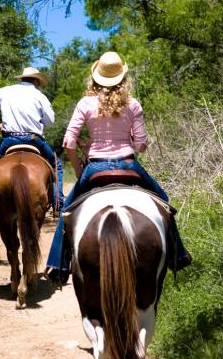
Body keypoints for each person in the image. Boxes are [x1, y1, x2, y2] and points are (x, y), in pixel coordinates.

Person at [44, 51, 191, 281]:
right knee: (164, 203)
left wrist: (80, 169)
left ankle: (58, 266)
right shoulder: (133, 105)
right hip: (128, 165)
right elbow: (141, 146)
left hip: (95, 167)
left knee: (66, 211)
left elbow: (68, 142)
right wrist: (129, 139)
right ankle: (179, 255)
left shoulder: (86, 103)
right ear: (122, 78)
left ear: (96, 77)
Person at [0, 67, 65, 219]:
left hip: (9, 139)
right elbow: (50, 121)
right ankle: (58, 204)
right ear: (37, 81)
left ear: (22, 78)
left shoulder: (6, 91)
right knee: (56, 164)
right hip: (34, 140)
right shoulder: (40, 96)